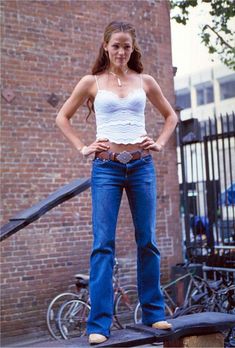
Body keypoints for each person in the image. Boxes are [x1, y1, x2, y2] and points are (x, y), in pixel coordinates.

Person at [56, 21, 178, 345]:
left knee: (147, 240)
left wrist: (161, 143)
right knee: (103, 245)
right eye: (116, 46)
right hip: (106, 168)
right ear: (106, 47)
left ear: (132, 48)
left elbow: (171, 116)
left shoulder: (145, 81)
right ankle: (98, 324)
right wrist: (84, 147)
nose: (121, 51)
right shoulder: (91, 82)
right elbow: (62, 117)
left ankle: (154, 312)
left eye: (126, 46)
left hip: (141, 166)